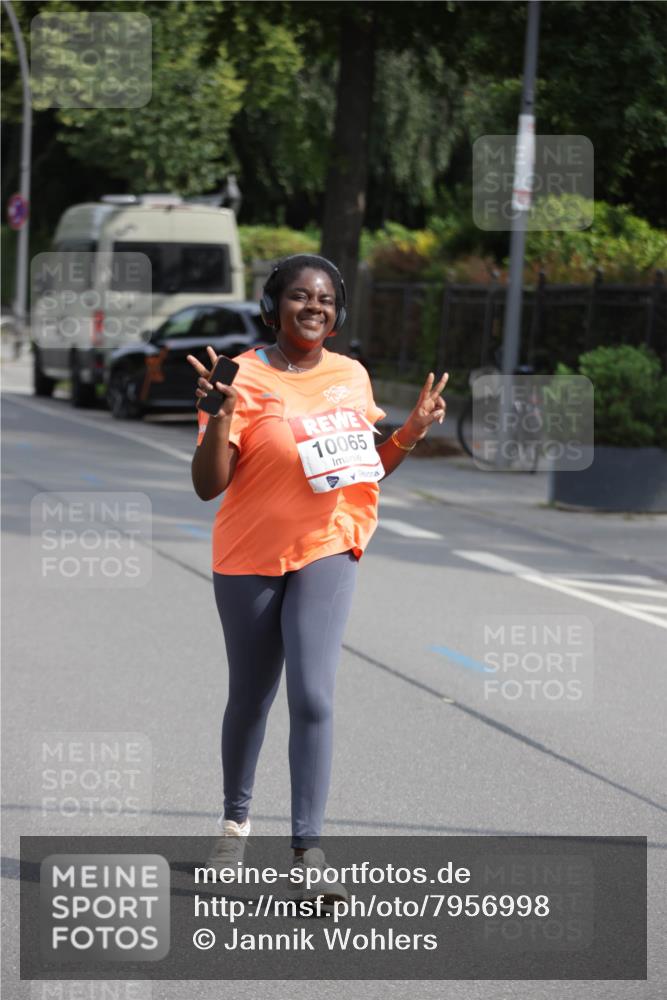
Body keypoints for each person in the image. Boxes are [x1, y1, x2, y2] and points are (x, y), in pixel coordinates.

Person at [188, 253, 447, 902]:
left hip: (328, 546)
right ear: (273, 307)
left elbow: (362, 469)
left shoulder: (350, 376)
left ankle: (307, 851)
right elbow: (206, 486)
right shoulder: (235, 376)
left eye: (326, 300)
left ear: (335, 316)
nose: (313, 307)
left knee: (313, 695)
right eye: (300, 297)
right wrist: (219, 416)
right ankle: (234, 825)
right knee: (250, 698)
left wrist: (410, 431)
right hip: (247, 556)